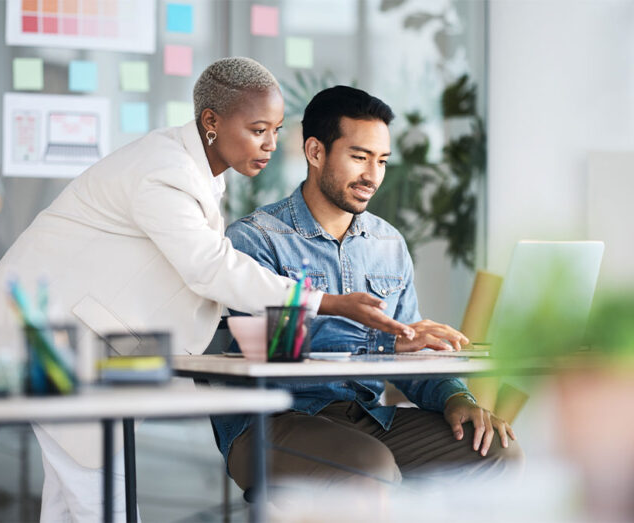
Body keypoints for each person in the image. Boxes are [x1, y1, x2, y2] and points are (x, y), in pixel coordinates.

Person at [0, 59, 415, 521]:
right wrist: (329, 302)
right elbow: (209, 267)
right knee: (104, 504)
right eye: (258, 130)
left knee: (73, 502)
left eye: (275, 130)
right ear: (211, 121)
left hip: (67, 343)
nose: (271, 145)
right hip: (43, 342)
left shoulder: (195, 172)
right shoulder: (165, 170)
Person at [212, 86, 523, 493]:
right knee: (369, 465)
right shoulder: (256, 240)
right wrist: (385, 343)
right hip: (272, 421)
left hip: (367, 419)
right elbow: (274, 352)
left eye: (382, 161)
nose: (372, 176)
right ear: (315, 152)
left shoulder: (388, 244)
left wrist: (456, 399)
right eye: (359, 157)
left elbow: (413, 353)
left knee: (497, 451)